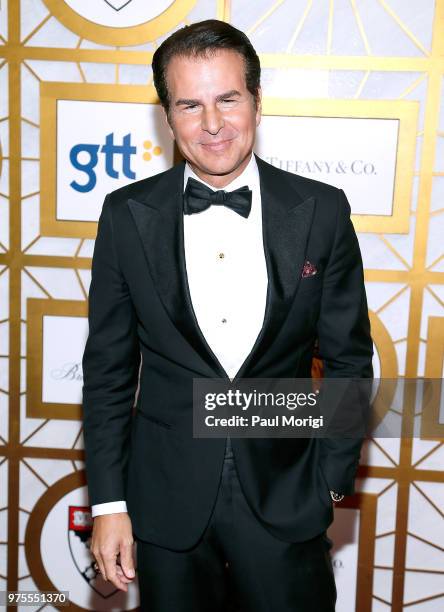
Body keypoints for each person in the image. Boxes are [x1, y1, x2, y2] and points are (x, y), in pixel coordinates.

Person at [82, 19, 373, 611]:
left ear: (257, 103)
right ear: (168, 116)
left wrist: (329, 481)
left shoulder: (321, 211)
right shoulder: (124, 215)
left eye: (227, 99)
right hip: (165, 506)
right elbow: (108, 372)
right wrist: (110, 505)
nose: (211, 124)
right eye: (189, 104)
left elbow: (348, 356)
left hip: (287, 496)